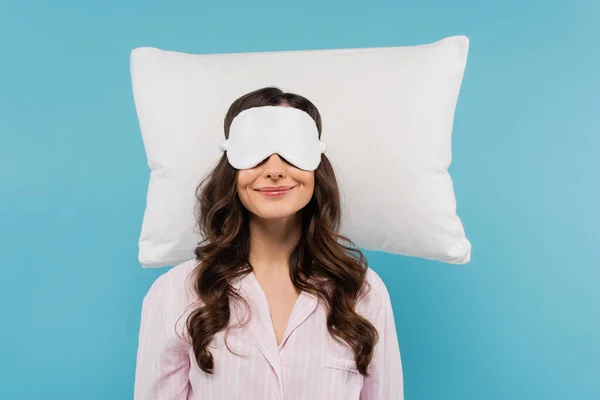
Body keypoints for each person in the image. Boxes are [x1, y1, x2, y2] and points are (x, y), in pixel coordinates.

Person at [134, 87, 403, 399]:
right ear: (232, 168)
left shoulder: (363, 293)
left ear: (316, 163)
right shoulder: (175, 293)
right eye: (256, 152)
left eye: (291, 150)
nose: (274, 170)